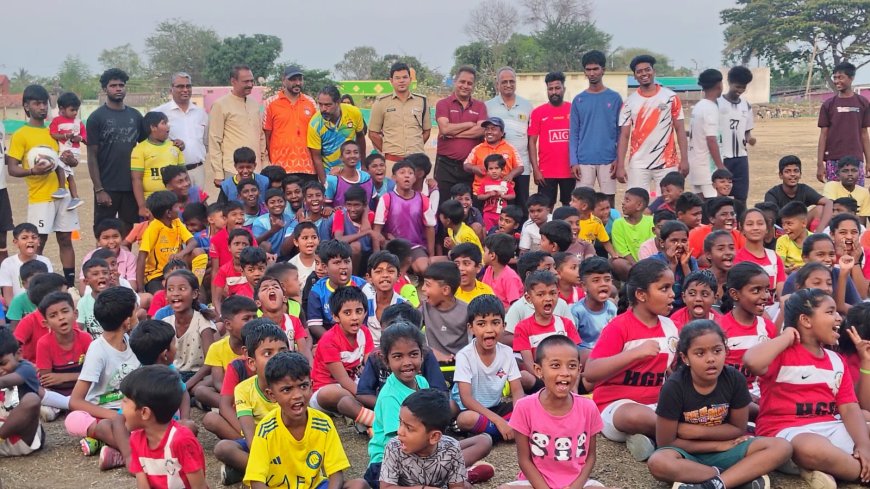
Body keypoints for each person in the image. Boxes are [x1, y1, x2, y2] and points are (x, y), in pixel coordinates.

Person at [745, 289, 870, 488]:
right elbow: (752, 361)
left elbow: (849, 408)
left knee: (865, 427)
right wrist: (786, 337)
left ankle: (836, 468)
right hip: (787, 434)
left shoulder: (836, 360)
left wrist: (864, 446)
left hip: (830, 426)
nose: (839, 317)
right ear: (805, 320)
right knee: (811, 448)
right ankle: (859, 473)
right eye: (830, 312)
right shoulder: (781, 353)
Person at [647, 320, 791, 489]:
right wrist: (717, 445)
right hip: (689, 452)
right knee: (658, 462)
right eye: (700, 353)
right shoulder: (674, 387)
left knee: (781, 447)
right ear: (685, 358)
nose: (711, 359)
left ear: (725, 350)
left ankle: (715, 484)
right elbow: (666, 442)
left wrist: (695, 431)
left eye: (717, 351)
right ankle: (732, 477)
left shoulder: (734, 379)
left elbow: (738, 428)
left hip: (729, 449)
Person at [365, 324, 494, 489]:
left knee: (484, 440)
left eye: (413, 354)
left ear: (422, 355)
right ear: (386, 360)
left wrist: (441, 452)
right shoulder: (390, 396)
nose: (407, 362)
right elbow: (399, 441)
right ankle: (459, 476)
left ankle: (454, 475)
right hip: (390, 460)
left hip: (424, 447)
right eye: (398, 356)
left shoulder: (421, 382)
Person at [584, 259, 678, 462]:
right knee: (638, 417)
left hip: (658, 404)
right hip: (617, 407)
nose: (672, 294)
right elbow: (590, 372)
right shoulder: (619, 327)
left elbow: (671, 371)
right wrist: (634, 354)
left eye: (672, 287)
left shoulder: (670, 326)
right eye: (664, 288)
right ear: (641, 295)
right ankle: (685, 440)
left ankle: (650, 439)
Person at [245, 351, 368, 489]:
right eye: (287, 390)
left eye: (303, 386)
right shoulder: (266, 429)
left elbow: (335, 473)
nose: (297, 395)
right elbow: (256, 481)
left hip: (315, 486)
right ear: (271, 395)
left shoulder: (323, 423)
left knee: (359, 485)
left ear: (311, 386)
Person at [505, 335, 610, 488]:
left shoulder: (588, 407)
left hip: (576, 482)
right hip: (536, 483)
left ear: (579, 370)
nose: (565, 372)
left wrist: (575, 487)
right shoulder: (524, 407)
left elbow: (591, 456)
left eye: (572, 366)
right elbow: (524, 460)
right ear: (538, 370)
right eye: (555, 365)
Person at [6, 85, 79, 288]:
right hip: (40, 197)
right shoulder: (21, 135)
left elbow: (66, 162)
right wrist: (33, 171)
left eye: (44, 103)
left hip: (63, 194)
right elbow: (12, 168)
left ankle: (70, 286)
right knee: (38, 242)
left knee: (65, 240)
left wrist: (70, 159)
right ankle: (35, 286)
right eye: (37, 103)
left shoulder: (53, 132)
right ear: (26, 106)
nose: (42, 107)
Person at [64, 287, 139, 470]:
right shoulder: (98, 350)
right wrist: (115, 416)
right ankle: (133, 452)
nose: (139, 314)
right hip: (102, 413)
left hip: (128, 412)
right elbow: (75, 401)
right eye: (136, 311)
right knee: (74, 420)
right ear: (127, 321)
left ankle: (114, 449)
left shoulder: (133, 342)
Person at [213, 319, 288, 485]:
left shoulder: (293, 385)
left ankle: (246, 471)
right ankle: (271, 473)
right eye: (268, 353)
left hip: (288, 442)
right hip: (259, 442)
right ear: (252, 362)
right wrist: (261, 458)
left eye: (282, 351)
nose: (276, 359)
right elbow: (250, 436)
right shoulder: (243, 389)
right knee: (223, 448)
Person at [120, 365, 207, 489]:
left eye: (125, 401)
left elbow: (199, 486)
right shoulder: (136, 440)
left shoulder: (181, 440)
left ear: (144, 412)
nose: (121, 406)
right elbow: (143, 485)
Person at [453, 295, 526, 441]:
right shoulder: (464, 356)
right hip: (472, 410)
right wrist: (499, 421)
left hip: (496, 408)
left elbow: (517, 390)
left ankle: (496, 431)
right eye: (481, 324)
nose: (489, 329)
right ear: (471, 328)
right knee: (466, 419)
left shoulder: (507, 352)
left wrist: (518, 416)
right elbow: (466, 399)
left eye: (495, 323)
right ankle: (509, 430)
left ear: (504, 326)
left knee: (530, 405)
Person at [615, 55, 689, 193]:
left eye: (647, 69)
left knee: (668, 202)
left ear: (654, 71)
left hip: (667, 163)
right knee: (637, 202)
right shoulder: (629, 102)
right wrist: (620, 166)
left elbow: (680, 129)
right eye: (639, 71)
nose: (644, 74)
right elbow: (624, 136)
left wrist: (684, 159)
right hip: (638, 164)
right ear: (635, 76)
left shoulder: (670, 97)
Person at [310, 286, 375, 433]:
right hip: (327, 390)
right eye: (347, 313)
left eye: (359, 311)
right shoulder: (329, 340)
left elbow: (370, 365)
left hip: (353, 385)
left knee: (375, 386)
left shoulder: (365, 332)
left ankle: (363, 420)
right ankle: (375, 421)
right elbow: (343, 380)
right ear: (335, 317)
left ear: (365, 312)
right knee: (337, 394)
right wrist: (366, 397)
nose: (354, 317)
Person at [87, 69, 144, 235]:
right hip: (107, 186)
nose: (118, 88)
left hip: (131, 186)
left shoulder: (135, 116)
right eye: (113, 85)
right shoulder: (96, 117)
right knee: (104, 232)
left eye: (121, 85)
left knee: (128, 231)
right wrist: (99, 189)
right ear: (105, 89)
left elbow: (147, 146)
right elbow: (92, 156)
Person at [380, 388, 474, 489]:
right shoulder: (394, 447)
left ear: (434, 437)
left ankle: (471, 474)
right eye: (400, 423)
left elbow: (456, 486)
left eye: (409, 428)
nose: (399, 431)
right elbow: (386, 487)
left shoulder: (452, 448)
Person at [571, 50, 622, 208]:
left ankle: (610, 225)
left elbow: (621, 132)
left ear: (603, 70)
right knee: (582, 202)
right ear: (584, 72)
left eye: (595, 69)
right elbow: (574, 134)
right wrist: (574, 162)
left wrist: (618, 158)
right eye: (588, 69)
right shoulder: (579, 100)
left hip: (608, 159)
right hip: (584, 160)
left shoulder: (615, 98)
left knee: (608, 201)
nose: (592, 73)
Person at [373, 160, 436, 275]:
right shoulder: (386, 198)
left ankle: (411, 265)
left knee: (423, 269)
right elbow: (377, 230)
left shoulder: (423, 199)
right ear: (394, 178)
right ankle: (405, 267)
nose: (407, 176)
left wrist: (431, 255)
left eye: (410, 173)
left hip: (415, 246)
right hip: (393, 245)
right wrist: (376, 256)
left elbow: (430, 228)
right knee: (391, 272)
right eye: (402, 172)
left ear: (414, 178)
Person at [208, 65, 266, 188]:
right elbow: (214, 140)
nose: (250, 84)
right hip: (233, 169)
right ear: (233, 81)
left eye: (251, 81)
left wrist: (265, 164)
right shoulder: (220, 105)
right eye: (246, 81)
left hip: (256, 169)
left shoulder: (254, 104)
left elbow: (260, 136)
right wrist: (218, 173)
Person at [513, 270, 581, 374]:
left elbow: (574, 357)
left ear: (558, 294)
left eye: (552, 293)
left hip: (564, 374)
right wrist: (547, 379)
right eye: (541, 294)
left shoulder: (566, 324)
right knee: (525, 376)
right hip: (538, 376)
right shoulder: (522, 327)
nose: (548, 299)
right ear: (528, 298)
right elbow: (529, 363)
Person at [434, 66, 488, 194]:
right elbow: (445, 128)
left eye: (469, 83)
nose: (465, 86)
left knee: (469, 203)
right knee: (444, 203)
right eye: (462, 82)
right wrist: (469, 124)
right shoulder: (443, 104)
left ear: (473, 86)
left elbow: (481, 131)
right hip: (445, 165)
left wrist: (453, 133)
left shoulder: (480, 106)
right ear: (455, 81)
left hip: (471, 166)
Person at [370, 62, 432, 170]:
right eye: (397, 78)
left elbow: (427, 131)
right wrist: (388, 150)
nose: (401, 81)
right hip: (392, 161)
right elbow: (373, 133)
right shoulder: (381, 102)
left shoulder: (422, 101)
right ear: (391, 81)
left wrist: (416, 146)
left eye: (405, 77)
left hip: (417, 163)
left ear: (410, 79)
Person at [485, 66, 532, 209]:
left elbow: (531, 138)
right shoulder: (488, 106)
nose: (508, 84)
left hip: (521, 165)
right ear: (497, 84)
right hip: (497, 168)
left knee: (522, 204)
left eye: (512, 81)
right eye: (504, 82)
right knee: (500, 206)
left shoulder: (527, 105)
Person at [817, 61, 870, 186]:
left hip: (856, 159)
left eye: (841, 77)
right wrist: (820, 164)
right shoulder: (828, 105)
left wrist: (869, 161)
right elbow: (823, 135)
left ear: (851, 78)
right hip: (833, 159)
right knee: (834, 195)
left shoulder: (863, 103)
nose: (837, 81)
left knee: (856, 195)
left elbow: (864, 134)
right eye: (835, 77)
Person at [262, 66, 318, 181]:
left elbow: (317, 133)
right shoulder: (270, 103)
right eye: (293, 79)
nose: (297, 83)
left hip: (307, 167)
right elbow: (266, 135)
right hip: (280, 167)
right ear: (283, 80)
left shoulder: (310, 102)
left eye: (300, 79)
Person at [154, 72, 209, 189]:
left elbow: (206, 142)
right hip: (173, 173)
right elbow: (152, 143)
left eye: (188, 86)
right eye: (180, 86)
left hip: (197, 170)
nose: (185, 90)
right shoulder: (159, 113)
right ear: (171, 89)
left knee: (197, 200)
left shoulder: (200, 113)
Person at [136, 191, 198, 294]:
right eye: (176, 206)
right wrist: (140, 289)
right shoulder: (153, 228)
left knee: (198, 252)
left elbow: (193, 242)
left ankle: (197, 284)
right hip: (156, 276)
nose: (179, 208)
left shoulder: (177, 222)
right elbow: (141, 257)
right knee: (162, 296)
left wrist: (181, 254)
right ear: (168, 213)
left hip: (177, 271)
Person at [306, 240, 368, 340]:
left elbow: (368, 321)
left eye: (347, 262)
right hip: (330, 337)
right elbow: (314, 325)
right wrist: (335, 341)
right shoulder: (317, 290)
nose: (343, 267)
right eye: (337, 263)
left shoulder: (363, 287)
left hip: (360, 337)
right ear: (325, 267)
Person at [529, 71, 573, 208]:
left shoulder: (573, 109)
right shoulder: (538, 112)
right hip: (546, 172)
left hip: (570, 171)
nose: (554, 92)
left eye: (557, 88)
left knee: (570, 207)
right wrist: (536, 169)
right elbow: (532, 142)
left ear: (564, 89)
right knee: (545, 208)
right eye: (550, 89)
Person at [0, 325, 44, 458]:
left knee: (32, 399)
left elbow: (7, 381)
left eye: (3, 363)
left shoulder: (26, 369)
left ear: (18, 354)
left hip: (24, 437)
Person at [308, 85, 367, 183]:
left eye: (328, 105)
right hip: (331, 173)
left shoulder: (354, 112)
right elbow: (316, 157)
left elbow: (360, 137)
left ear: (338, 102)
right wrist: (325, 183)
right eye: (320, 104)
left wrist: (363, 165)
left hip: (354, 169)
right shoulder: (315, 124)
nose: (323, 109)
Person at [131, 111, 185, 218]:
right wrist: (142, 206)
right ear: (153, 127)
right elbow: (136, 179)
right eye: (164, 123)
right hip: (151, 203)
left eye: (167, 123)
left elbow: (183, 175)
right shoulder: (139, 149)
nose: (168, 126)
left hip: (173, 201)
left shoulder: (175, 147)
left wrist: (183, 200)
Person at [764, 155, 833, 232]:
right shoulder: (772, 194)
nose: (792, 174)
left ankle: (817, 235)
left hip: (801, 227)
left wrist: (821, 228)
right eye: (787, 171)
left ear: (800, 174)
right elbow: (770, 219)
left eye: (796, 171)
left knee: (820, 208)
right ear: (780, 175)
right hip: (781, 230)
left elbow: (829, 202)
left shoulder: (804, 189)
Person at [719, 66, 756, 204]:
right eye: (737, 87)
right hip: (723, 157)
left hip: (741, 158)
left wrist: (750, 139)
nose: (740, 90)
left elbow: (747, 132)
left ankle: (741, 217)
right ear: (729, 82)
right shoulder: (717, 103)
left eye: (743, 87)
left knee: (741, 196)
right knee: (720, 196)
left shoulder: (746, 105)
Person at [420, 262, 469, 364]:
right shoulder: (424, 308)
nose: (422, 288)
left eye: (427, 285)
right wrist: (431, 352)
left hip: (460, 365)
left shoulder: (466, 311)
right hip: (433, 363)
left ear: (445, 290)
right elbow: (409, 334)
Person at [687, 69, 724, 198]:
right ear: (719, 85)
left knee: (699, 204)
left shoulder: (698, 106)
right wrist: (720, 167)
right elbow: (711, 139)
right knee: (714, 204)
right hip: (707, 168)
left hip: (695, 165)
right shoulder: (710, 108)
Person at [571, 257, 617, 354]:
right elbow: (573, 343)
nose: (603, 284)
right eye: (596, 281)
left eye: (607, 279)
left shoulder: (612, 308)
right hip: (586, 355)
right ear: (584, 286)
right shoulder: (576, 311)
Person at [0, 223, 52, 306]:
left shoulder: (45, 261)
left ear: (39, 241)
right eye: (24, 238)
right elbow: (8, 296)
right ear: (16, 242)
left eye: (34, 237)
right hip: (16, 307)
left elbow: (49, 289)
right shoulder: (8, 263)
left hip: (40, 307)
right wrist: (15, 311)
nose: (30, 240)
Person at [48, 91, 85, 210]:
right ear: (62, 109)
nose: (75, 113)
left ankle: (62, 189)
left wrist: (80, 138)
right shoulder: (56, 121)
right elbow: (53, 134)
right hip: (63, 149)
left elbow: (85, 137)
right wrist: (65, 136)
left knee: (58, 165)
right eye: (72, 110)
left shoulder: (78, 123)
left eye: (76, 110)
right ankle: (75, 198)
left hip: (73, 151)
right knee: (70, 175)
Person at [611, 188, 655, 265]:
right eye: (624, 200)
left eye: (627, 200)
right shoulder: (618, 223)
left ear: (639, 206)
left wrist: (646, 267)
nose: (623, 203)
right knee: (617, 263)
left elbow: (652, 246)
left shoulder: (651, 221)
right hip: (630, 265)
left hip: (649, 263)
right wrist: (637, 267)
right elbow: (623, 251)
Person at [324, 140, 373, 208]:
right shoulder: (332, 180)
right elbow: (327, 206)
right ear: (341, 158)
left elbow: (371, 203)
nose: (352, 155)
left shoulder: (366, 178)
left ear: (360, 157)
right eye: (348, 152)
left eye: (355, 152)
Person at [482, 233, 525, 311]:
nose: (483, 254)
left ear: (492, 256)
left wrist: (497, 314)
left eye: (485, 251)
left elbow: (515, 306)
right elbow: (483, 292)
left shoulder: (510, 277)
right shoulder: (489, 269)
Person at [823, 156, 870, 225]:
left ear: (859, 173)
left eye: (854, 170)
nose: (850, 174)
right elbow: (830, 211)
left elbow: (862, 221)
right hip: (834, 225)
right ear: (838, 174)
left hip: (855, 228)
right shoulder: (831, 186)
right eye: (845, 171)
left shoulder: (864, 192)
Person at [0, 122, 11, 262]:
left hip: (1, 188)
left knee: (2, 237)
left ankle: (5, 271)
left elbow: (3, 156)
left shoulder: (1, 125)